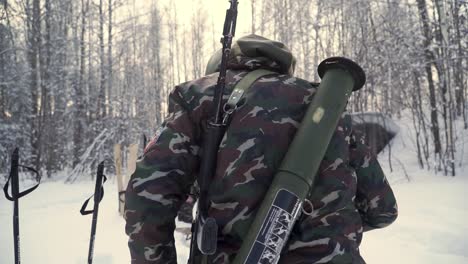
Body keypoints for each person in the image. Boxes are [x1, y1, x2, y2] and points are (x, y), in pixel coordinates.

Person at [124, 34, 398, 264]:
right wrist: (325, 228)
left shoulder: (203, 95)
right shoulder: (326, 107)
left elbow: (149, 194)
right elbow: (383, 208)